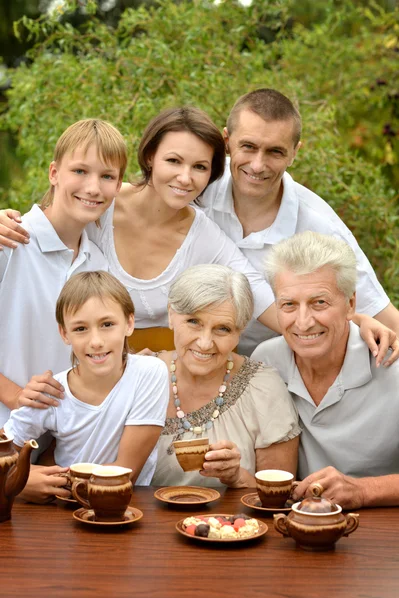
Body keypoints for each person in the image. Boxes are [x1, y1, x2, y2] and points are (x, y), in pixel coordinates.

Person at [0, 106, 397, 366]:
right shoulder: (101, 204)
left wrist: (351, 318)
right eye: (173, 161)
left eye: (200, 167)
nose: (186, 177)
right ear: (150, 157)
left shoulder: (204, 234)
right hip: (61, 372)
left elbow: (262, 295)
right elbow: (52, 212)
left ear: (212, 173)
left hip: (149, 383)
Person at [200, 88, 399, 355]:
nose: (258, 165)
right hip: (198, 354)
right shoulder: (197, 187)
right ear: (227, 140)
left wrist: (362, 322)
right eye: (248, 147)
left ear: (295, 152)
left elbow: (385, 319)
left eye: (275, 152)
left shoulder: (320, 226)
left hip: (284, 365)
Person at [252, 232, 399, 509]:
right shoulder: (266, 361)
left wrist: (363, 491)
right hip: (295, 525)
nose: (303, 322)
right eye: (289, 305)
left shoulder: (393, 368)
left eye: (319, 302)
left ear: (350, 304)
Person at [0, 118, 127, 426]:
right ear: (54, 173)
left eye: (107, 176)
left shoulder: (100, 265)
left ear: (119, 186)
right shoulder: (9, 242)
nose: (93, 187)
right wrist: (14, 395)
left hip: (55, 443)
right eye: (80, 171)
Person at [2, 271, 169, 499]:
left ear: (129, 323)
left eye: (107, 324)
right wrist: (22, 480)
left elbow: (124, 474)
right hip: (60, 514)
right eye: (80, 328)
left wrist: (18, 481)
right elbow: (5, 456)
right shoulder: (51, 391)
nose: (96, 342)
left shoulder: (149, 374)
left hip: (126, 509)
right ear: (64, 333)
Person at [151, 264, 300, 488]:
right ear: (171, 315)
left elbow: (278, 496)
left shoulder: (264, 388)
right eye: (193, 322)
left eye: (223, 329)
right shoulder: (139, 377)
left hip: (234, 523)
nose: (204, 343)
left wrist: (236, 476)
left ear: (240, 332)